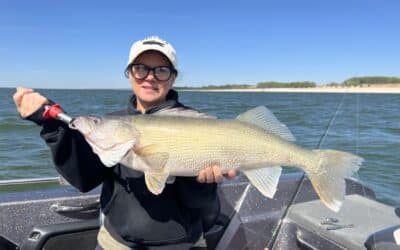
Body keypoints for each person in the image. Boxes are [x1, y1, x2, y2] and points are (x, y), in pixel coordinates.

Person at [13, 36, 236, 250]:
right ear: (129, 74)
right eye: (141, 68)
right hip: (116, 244)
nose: (150, 77)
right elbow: (84, 179)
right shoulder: (112, 126)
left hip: (184, 244)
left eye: (161, 70)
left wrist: (201, 182)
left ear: (173, 77)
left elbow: (198, 203)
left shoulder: (197, 122)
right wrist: (51, 126)